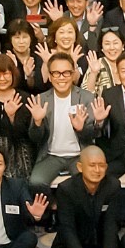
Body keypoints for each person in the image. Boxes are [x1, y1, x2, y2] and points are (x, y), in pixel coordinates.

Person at [27, 52, 98, 190]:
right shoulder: (40, 99)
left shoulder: (86, 97)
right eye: (56, 73)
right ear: (50, 76)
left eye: (66, 73)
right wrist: (37, 122)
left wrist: (81, 128)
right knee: (35, 182)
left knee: (90, 184)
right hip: (51, 156)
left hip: (80, 155)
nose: (61, 77)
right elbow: (35, 138)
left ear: (73, 74)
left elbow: (92, 136)